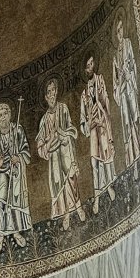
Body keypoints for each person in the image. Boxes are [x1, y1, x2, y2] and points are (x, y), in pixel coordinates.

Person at [36, 78, 88, 231]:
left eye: (53, 90)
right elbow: (40, 148)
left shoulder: (63, 108)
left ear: (57, 92)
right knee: (60, 185)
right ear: (45, 97)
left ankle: (78, 208)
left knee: (71, 181)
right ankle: (66, 214)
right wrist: (50, 141)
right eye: (48, 92)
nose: (52, 94)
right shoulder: (44, 120)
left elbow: (72, 129)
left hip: (66, 151)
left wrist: (63, 134)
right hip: (54, 157)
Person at [0, 102, 32, 253]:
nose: (2, 118)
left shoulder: (17, 129)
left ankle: (15, 232)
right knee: (0, 202)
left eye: (4, 114)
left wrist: (18, 157)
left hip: (16, 171)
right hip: (2, 173)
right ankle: (1, 234)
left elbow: (26, 151)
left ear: (9, 115)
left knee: (13, 202)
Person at [79, 54, 117, 213]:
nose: (90, 67)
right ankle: (97, 196)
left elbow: (106, 100)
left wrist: (103, 116)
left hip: (102, 125)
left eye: (91, 63)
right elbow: (82, 120)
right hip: (93, 129)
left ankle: (109, 187)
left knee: (107, 156)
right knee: (95, 162)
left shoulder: (100, 80)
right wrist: (87, 125)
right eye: (87, 65)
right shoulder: (84, 94)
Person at [112, 20, 140, 171]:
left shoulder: (128, 44)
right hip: (123, 92)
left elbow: (133, 65)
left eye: (121, 28)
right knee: (127, 125)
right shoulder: (114, 58)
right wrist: (120, 84)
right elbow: (115, 84)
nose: (120, 32)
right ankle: (133, 162)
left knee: (136, 118)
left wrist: (128, 73)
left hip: (130, 88)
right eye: (117, 30)